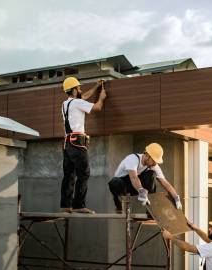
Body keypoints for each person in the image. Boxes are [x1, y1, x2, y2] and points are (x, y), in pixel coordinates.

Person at [60, 76, 107, 214]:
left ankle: (66, 205)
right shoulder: (77, 103)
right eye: (78, 88)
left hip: (67, 143)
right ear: (74, 90)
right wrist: (102, 98)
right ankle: (79, 205)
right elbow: (97, 108)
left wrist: (96, 86)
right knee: (84, 173)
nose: (80, 90)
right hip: (77, 143)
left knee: (69, 175)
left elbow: (83, 96)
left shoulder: (65, 104)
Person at [108, 143, 182, 212]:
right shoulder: (132, 159)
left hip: (135, 186)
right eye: (154, 160)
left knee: (151, 174)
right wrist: (141, 190)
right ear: (147, 155)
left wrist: (176, 197)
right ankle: (118, 201)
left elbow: (164, 182)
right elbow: (133, 177)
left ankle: (151, 209)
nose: (155, 163)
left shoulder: (153, 165)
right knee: (114, 182)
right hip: (122, 185)